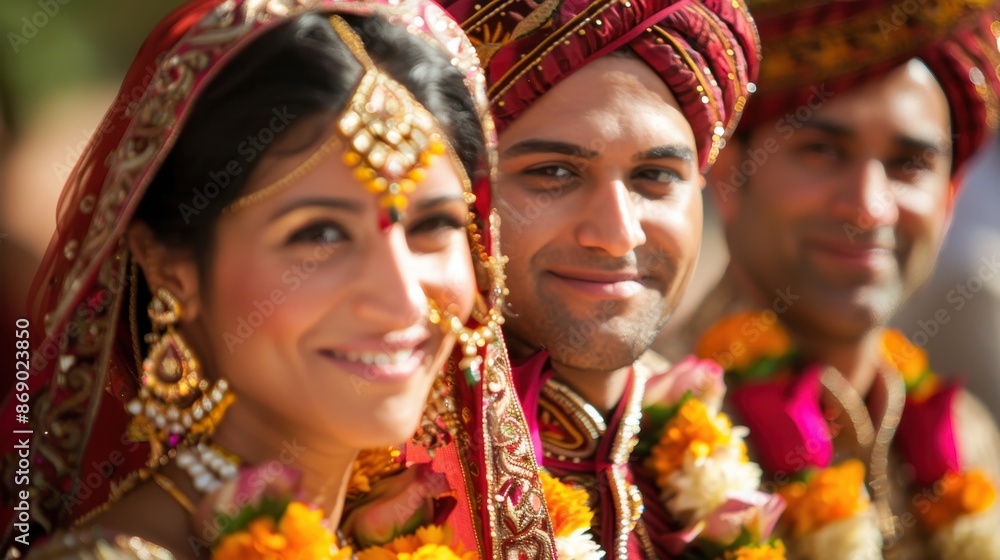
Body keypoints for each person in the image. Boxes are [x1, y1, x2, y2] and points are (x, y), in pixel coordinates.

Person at [0, 0, 553, 557]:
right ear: (171, 265)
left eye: (433, 225)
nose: (401, 299)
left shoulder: (392, 532)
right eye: (321, 234)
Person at [426, 1, 786, 558]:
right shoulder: (391, 488)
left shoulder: (727, 454)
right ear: (462, 194)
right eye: (554, 172)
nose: (619, 235)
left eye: (655, 175)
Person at [682, 1, 1000, 558]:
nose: (869, 209)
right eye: (823, 151)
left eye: (909, 164)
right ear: (731, 172)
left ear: (950, 198)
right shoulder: (661, 427)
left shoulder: (969, 438)